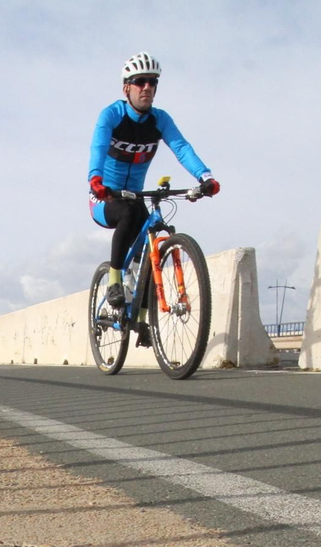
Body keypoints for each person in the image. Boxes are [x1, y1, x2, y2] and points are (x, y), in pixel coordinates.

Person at [88, 52, 219, 344]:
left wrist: (205, 177)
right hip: (104, 197)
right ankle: (113, 282)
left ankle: (143, 320)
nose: (147, 87)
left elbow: (181, 147)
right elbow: (97, 146)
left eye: (153, 83)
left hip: (135, 196)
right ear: (127, 88)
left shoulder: (160, 120)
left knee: (152, 240)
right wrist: (95, 179)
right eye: (140, 82)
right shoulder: (112, 115)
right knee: (130, 213)